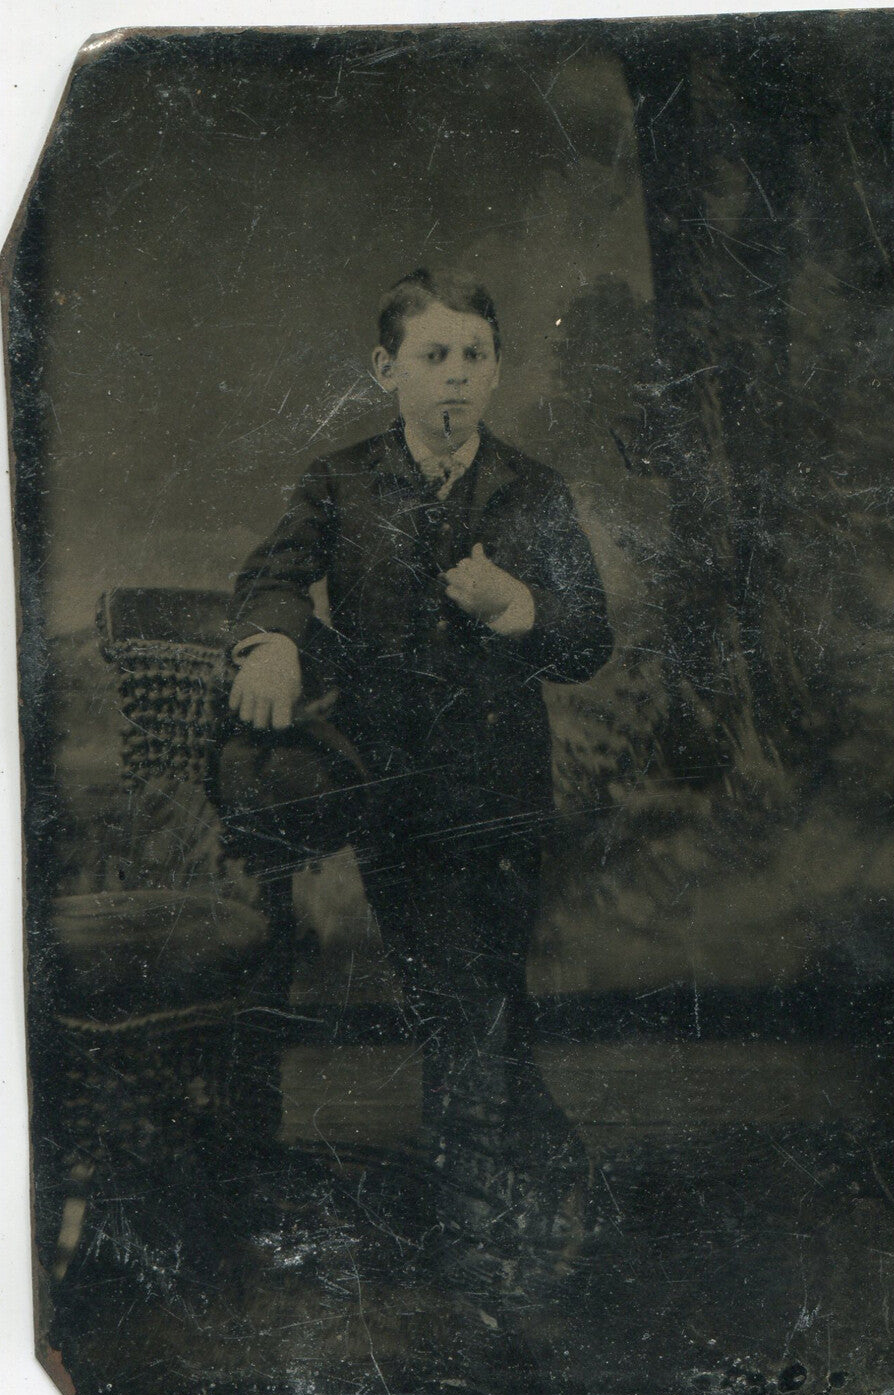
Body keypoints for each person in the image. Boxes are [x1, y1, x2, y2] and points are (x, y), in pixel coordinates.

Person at [216, 267, 613, 1310]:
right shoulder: (341, 479)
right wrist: (273, 648)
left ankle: (509, 1197)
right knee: (461, 997)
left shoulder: (533, 490)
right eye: (433, 357)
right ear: (386, 369)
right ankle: (491, 1236)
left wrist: (516, 603)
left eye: (474, 357)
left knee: (480, 995)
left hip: (501, 792)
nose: (456, 378)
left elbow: (587, 639)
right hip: (393, 793)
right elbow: (270, 574)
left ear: (496, 372)